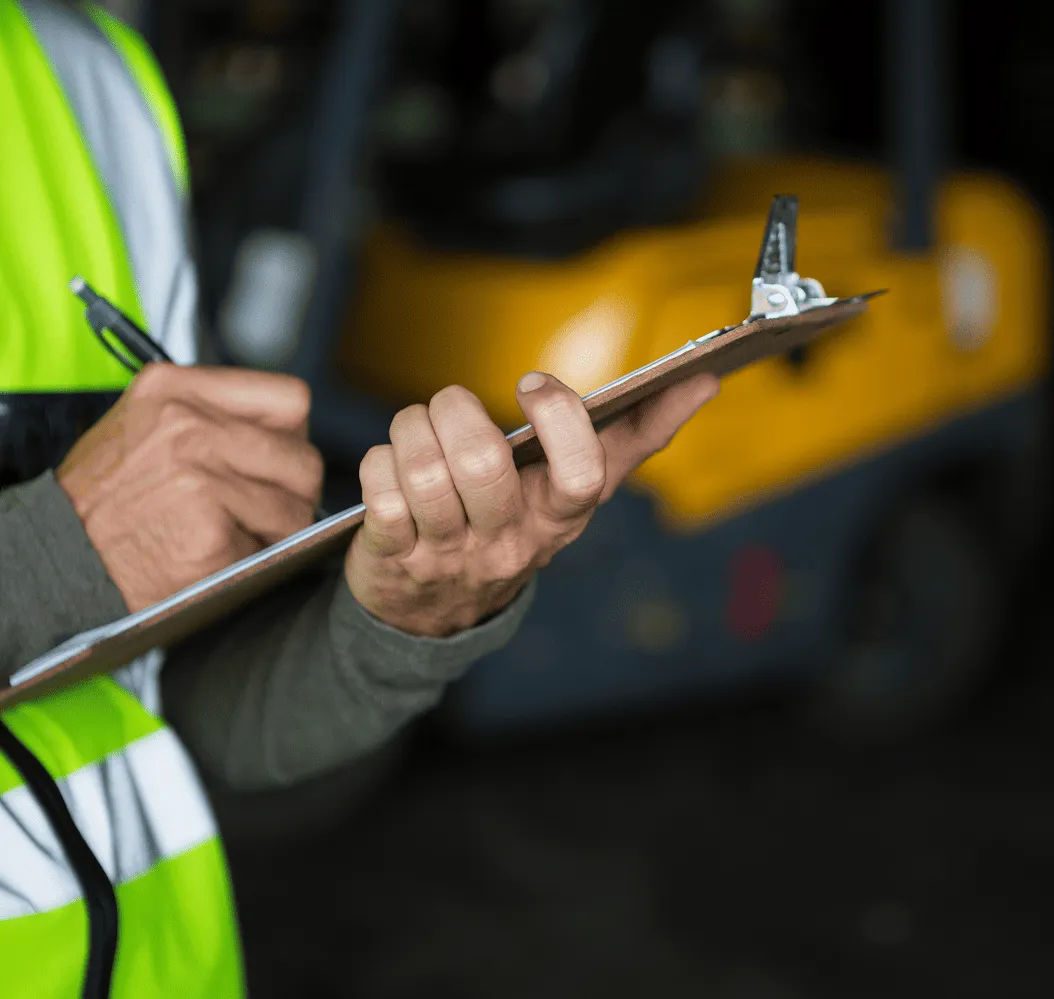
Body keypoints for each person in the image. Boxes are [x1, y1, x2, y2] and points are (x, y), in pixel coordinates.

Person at [0, 2, 719, 996]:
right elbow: (70, 569)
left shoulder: (84, 78)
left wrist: (402, 624)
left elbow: (174, 711)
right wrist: (53, 557)